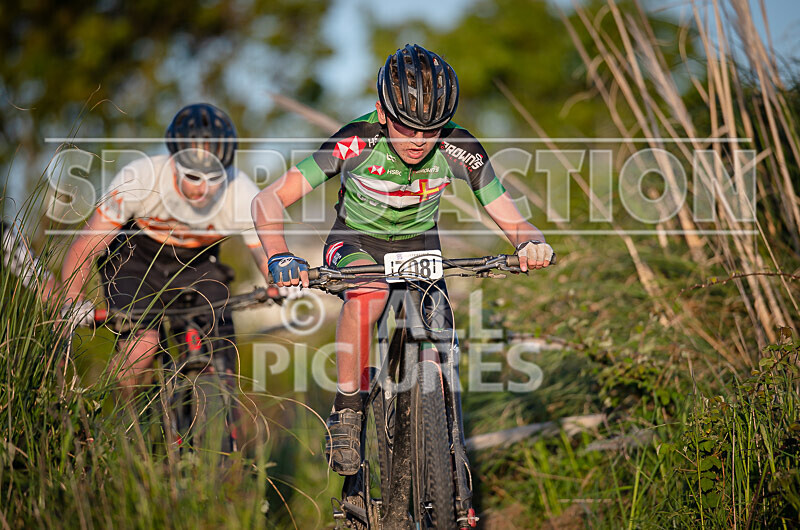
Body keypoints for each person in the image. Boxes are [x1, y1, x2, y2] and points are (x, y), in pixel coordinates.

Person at [251, 44, 554, 476]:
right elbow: (270, 198)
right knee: (369, 297)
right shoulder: (355, 140)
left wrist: (532, 244)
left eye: (430, 130)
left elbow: (514, 220)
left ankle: (439, 466)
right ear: (381, 112)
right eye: (406, 126)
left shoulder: (459, 146)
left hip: (419, 247)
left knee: (438, 346)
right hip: (356, 243)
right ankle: (348, 408)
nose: (418, 140)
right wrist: (278, 253)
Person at [61, 102, 275, 397]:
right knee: (142, 346)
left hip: (198, 265)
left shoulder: (242, 191)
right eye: (192, 177)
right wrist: (74, 298)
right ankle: (113, 417)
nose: (202, 189)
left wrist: (280, 283)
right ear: (174, 160)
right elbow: (87, 245)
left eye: (214, 178)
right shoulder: (140, 177)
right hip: (135, 259)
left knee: (221, 352)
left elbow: (267, 254)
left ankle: (220, 430)